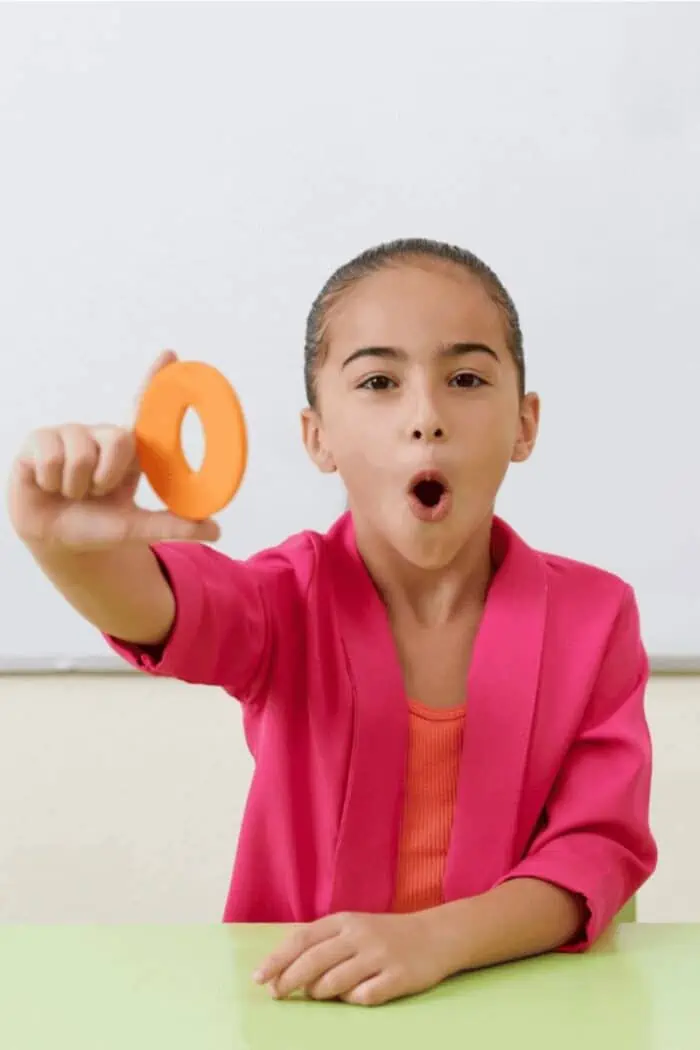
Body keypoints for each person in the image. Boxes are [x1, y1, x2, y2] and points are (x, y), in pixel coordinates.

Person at [7, 238, 656, 1007]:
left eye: (467, 378)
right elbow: (169, 607)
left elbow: (595, 849)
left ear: (524, 424)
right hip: (305, 1005)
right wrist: (64, 546)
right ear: (318, 437)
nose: (426, 417)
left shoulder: (596, 616)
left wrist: (437, 940)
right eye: (380, 381)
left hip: (521, 1000)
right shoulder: (288, 598)